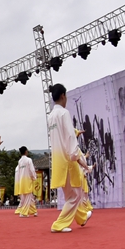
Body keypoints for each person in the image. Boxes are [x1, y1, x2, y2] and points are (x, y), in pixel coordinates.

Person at [48, 83, 91, 232]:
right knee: (75, 195)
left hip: (58, 160)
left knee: (71, 196)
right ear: (63, 96)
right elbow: (70, 139)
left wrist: (75, 133)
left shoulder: (51, 117)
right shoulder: (64, 113)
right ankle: (58, 225)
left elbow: (63, 134)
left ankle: (82, 217)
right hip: (68, 160)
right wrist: (79, 159)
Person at [14, 147, 37, 217]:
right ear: (26, 151)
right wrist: (34, 177)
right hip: (27, 180)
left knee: (29, 197)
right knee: (28, 197)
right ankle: (23, 213)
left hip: (21, 180)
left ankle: (33, 211)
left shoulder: (19, 161)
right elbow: (32, 170)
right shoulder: (29, 160)